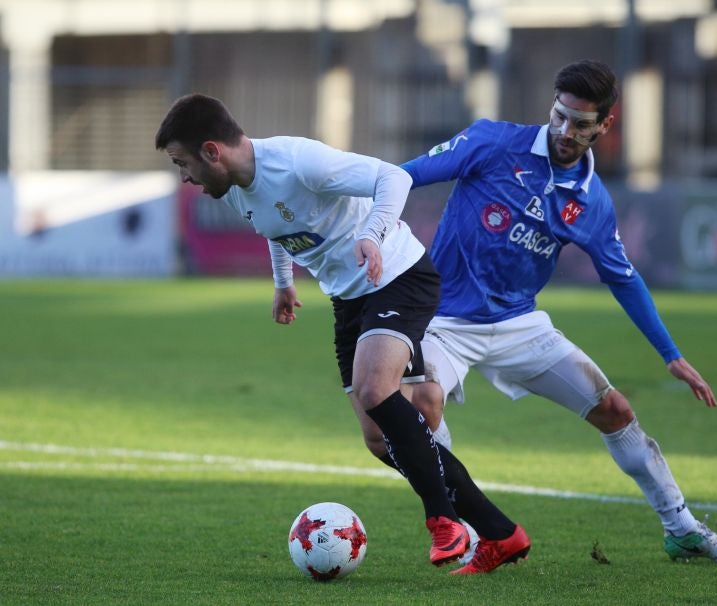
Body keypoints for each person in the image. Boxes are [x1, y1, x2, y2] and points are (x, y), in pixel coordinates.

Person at [400, 60, 717, 570]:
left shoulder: (591, 201)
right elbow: (405, 176)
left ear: (605, 126)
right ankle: (479, 531)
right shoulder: (491, 143)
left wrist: (670, 355)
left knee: (616, 411)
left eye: (580, 124)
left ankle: (683, 530)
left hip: (520, 324)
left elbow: (624, 278)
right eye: (559, 116)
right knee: (424, 402)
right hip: (446, 319)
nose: (565, 131)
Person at [154, 93, 528, 571]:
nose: (184, 176)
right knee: (378, 438)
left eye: (182, 163)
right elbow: (277, 229)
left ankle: (444, 520)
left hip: (397, 277)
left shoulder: (298, 161)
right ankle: (500, 532)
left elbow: (393, 177)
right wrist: (284, 283)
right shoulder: (238, 188)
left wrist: (371, 233)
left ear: (212, 151)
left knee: (377, 389)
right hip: (349, 299)